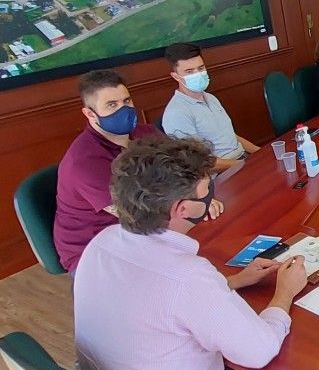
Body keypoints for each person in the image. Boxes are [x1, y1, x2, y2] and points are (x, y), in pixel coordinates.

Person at [73, 136, 319, 370]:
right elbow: (260, 350)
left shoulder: (102, 243)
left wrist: (233, 281)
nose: (212, 196)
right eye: (206, 191)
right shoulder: (186, 275)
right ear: (181, 209)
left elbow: (156, 303)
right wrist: (284, 292)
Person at [53, 69, 222, 274]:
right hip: (96, 250)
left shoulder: (145, 133)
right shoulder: (83, 163)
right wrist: (195, 205)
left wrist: (200, 197)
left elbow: (184, 169)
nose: (123, 110)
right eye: (111, 105)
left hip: (146, 231)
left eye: (126, 101)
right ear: (90, 113)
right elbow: (137, 215)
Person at [162, 43, 260, 172]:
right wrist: (243, 164)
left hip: (241, 159)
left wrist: (260, 153)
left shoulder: (210, 98)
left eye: (201, 68)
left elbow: (231, 136)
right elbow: (199, 162)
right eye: (189, 71)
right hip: (220, 174)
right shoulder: (176, 113)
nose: (198, 74)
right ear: (176, 76)